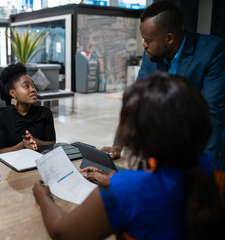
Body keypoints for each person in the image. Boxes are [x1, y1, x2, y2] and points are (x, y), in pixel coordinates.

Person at [33, 72, 225, 240]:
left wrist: (43, 197)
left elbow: (63, 233)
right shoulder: (212, 168)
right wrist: (113, 178)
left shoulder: (124, 192)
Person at [102, 1, 225, 169]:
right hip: (164, 147)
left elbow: (211, 115)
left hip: (197, 148)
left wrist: (202, 173)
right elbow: (136, 102)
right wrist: (118, 145)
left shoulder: (212, 52)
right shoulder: (151, 52)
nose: (144, 44)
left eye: (147, 40)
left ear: (169, 38)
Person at [0, 62, 56, 154]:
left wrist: (35, 141)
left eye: (33, 86)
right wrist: (22, 145)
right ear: (13, 93)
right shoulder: (1, 118)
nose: (33, 90)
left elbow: (52, 143)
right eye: (26, 86)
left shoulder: (45, 113)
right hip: (14, 162)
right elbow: (0, 151)